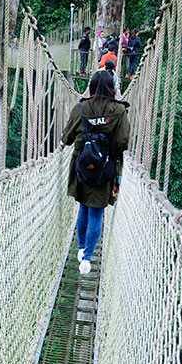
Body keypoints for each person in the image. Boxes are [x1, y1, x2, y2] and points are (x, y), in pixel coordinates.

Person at [61, 71, 130, 275]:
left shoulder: (81, 107)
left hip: (82, 166)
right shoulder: (119, 110)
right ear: (112, 88)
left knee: (83, 207)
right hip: (105, 168)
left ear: (90, 86)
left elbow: (68, 137)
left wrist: (64, 143)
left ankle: (81, 249)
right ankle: (88, 258)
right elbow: (122, 142)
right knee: (97, 212)